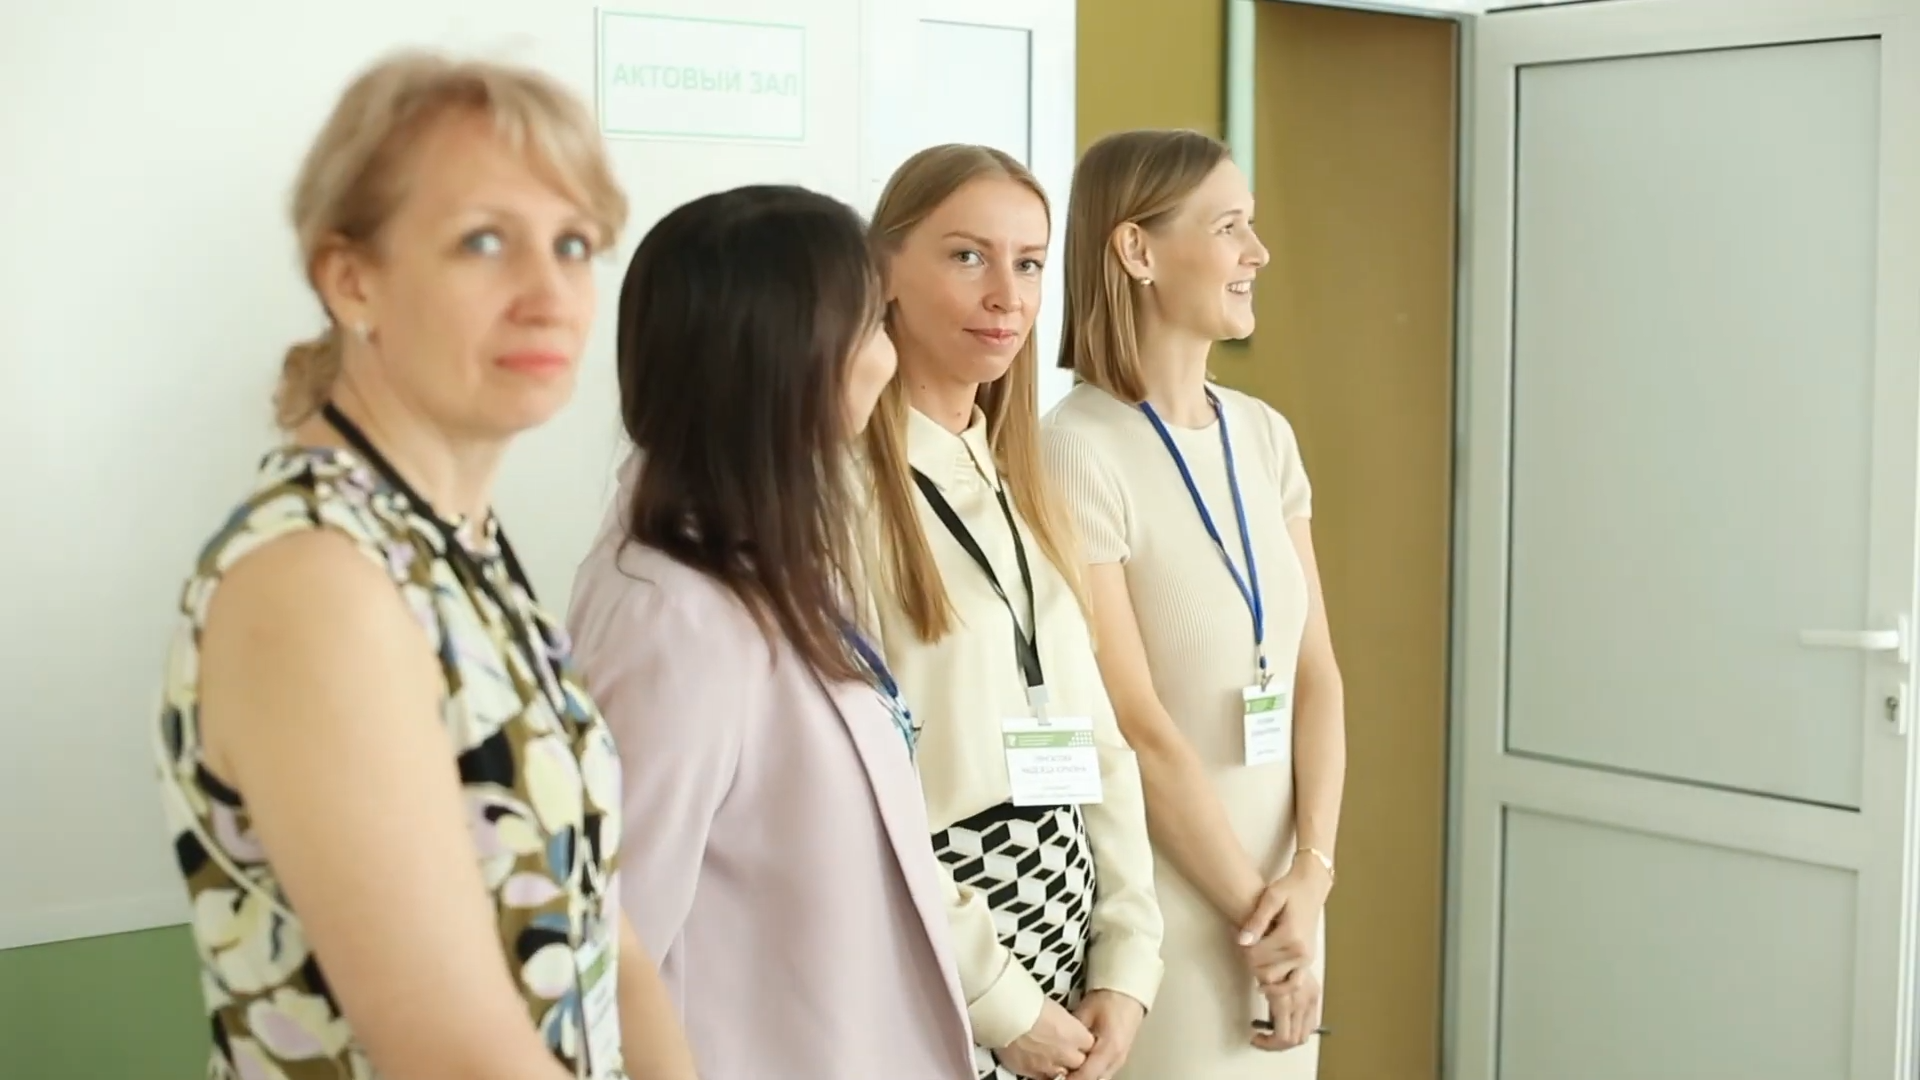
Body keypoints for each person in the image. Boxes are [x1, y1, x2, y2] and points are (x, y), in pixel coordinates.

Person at [151, 51, 699, 1080]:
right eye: (485, 241)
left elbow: (607, 940)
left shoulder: (460, 549)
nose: (550, 295)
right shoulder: (316, 581)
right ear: (351, 278)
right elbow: (453, 1052)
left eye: (574, 245)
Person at [565, 184, 978, 1079]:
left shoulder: (774, 558)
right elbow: (611, 948)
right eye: (872, 327)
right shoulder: (675, 617)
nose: (889, 356)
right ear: (792, 358)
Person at [1042, 129, 1348, 1080]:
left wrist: (1312, 875)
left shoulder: (1264, 433)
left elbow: (1317, 675)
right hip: (1174, 919)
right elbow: (1136, 724)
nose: (1258, 252)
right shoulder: (1074, 448)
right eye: (1228, 227)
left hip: (1289, 907)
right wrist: (1262, 923)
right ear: (1137, 250)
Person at [860, 143, 1165, 1080]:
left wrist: (1127, 961)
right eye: (968, 256)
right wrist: (1001, 1003)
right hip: (940, 963)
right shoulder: (838, 496)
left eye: (1029, 264)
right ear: (884, 269)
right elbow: (859, 799)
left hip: (1066, 959)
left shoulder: (1017, 476)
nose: (1007, 296)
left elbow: (1098, 739)